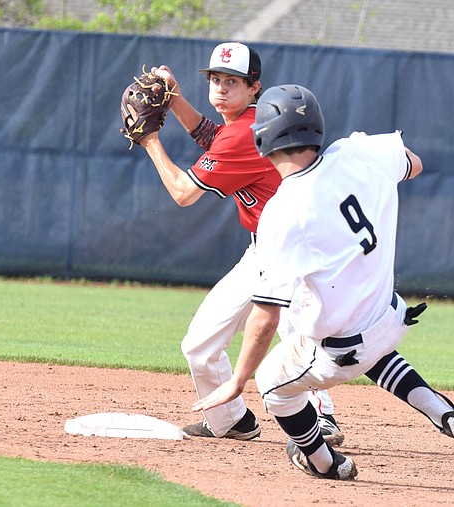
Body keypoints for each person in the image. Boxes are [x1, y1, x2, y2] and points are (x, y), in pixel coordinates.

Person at [192, 84, 454, 480]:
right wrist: (366, 155)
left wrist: (237, 381)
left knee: (274, 387)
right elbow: (413, 164)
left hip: (342, 351)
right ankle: (445, 414)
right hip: (389, 317)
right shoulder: (357, 153)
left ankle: (326, 463)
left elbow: (265, 318)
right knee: (372, 348)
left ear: (262, 139)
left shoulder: (283, 212)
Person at [139, 42, 342, 442]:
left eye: (232, 81)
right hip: (261, 250)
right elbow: (213, 138)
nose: (220, 88)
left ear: (254, 89)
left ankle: (322, 419)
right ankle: (232, 421)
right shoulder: (246, 124)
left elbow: (183, 192)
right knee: (199, 346)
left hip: (293, 251)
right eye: (215, 79)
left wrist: (150, 141)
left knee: (297, 334)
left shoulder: (243, 133)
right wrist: (176, 99)